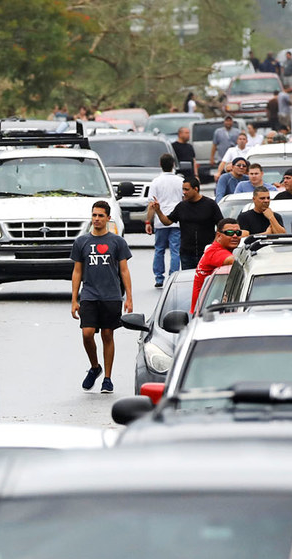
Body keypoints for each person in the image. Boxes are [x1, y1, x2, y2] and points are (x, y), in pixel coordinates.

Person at [69, 200, 132, 394]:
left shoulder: (117, 242)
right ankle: (95, 367)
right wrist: (74, 299)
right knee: (87, 333)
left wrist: (129, 297)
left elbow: (124, 270)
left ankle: (107, 379)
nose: (96, 219)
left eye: (100, 216)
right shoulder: (82, 242)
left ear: (108, 218)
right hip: (89, 294)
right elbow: (77, 271)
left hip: (111, 295)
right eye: (94, 215)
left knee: (107, 334)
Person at [161, 174, 222, 269]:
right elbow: (168, 221)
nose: (184, 192)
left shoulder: (210, 204)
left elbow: (221, 225)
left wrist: (214, 243)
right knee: (188, 280)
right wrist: (158, 211)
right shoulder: (181, 206)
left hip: (206, 251)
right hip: (187, 253)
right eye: (183, 189)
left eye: (186, 189)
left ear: (196, 189)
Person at [145, 154, 184, 286]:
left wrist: (148, 222)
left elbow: (152, 204)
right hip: (177, 220)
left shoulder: (156, 182)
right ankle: (173, 276)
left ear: (160, 164)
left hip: (160, 221)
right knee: (175, 250)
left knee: (159, 249)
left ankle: (159, 277)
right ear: (173, 164)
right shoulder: (180, 181)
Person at [191, 220, 239, 307]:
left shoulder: (216, 250)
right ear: (218, 236)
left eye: (238, 233)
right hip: (205, 312)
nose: (235, 236)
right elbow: (238, 262)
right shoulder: (215, 252)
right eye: (230, 233)